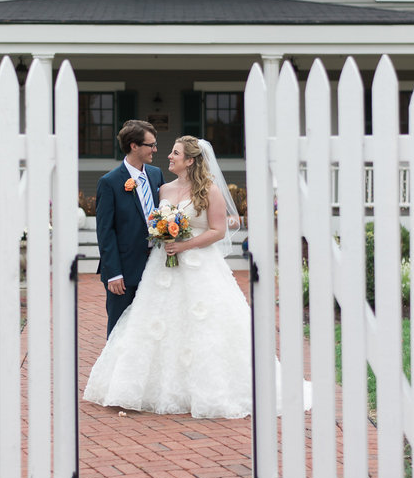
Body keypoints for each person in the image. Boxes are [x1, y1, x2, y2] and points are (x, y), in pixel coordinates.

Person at [85, 135, 312, 419]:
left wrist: (183, 245)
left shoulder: (209, 190)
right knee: (155, 321)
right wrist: (162, 233)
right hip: (161, 266)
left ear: (190, 160)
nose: (168, 156)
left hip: (198, 264)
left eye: (175, 153)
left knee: (205, 325)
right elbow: (151, 219)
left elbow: (218, 230)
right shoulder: (163, 188)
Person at [96, 119, 165, 337]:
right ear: (134, 146)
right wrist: (113, 273)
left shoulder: (156, 174)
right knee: (119, 330)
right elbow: (105, 232)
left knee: (152, 328)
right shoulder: (109, 182)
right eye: (150, 145)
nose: (155, 149)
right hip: (123, 271)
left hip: (155, 266)